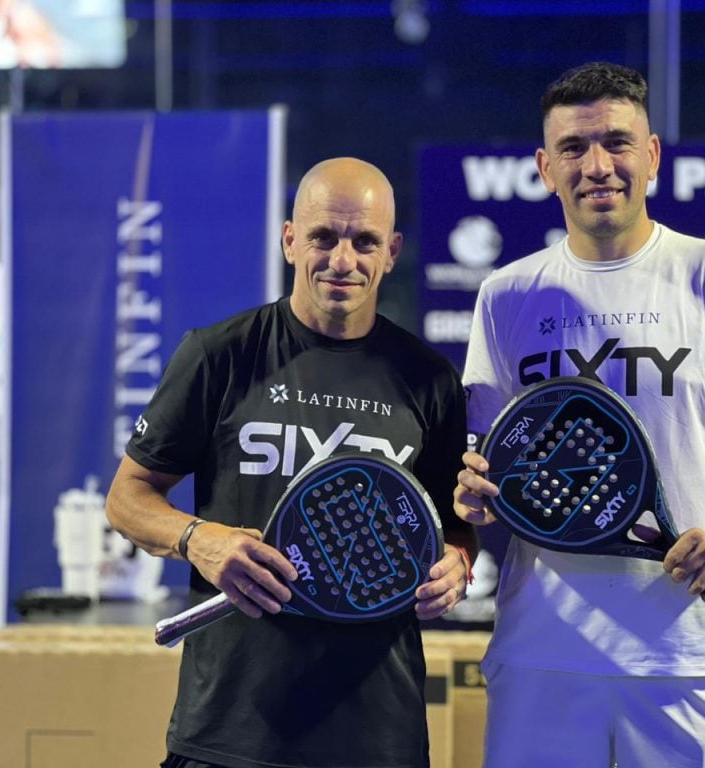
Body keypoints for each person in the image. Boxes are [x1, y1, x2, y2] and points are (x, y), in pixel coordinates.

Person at [453, 62, 705, 767]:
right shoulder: (504, 296)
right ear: (544, 167)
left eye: (617, 143)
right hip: (544, 658)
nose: (597, 166)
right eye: (573, 148)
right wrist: (472, 494)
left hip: (693, 657)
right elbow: (489, 471)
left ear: (651, 156)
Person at [107, 156, 478, 768]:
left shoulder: (429, 379)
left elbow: (454, 524)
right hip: (231, 730)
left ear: (392, 251)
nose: (342, 261)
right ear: (289, 240)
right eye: (322, 238)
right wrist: (199, 540)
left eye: (364, 242)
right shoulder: (218, 355)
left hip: (377, 733)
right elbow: (127, 498)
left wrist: (457, 563)